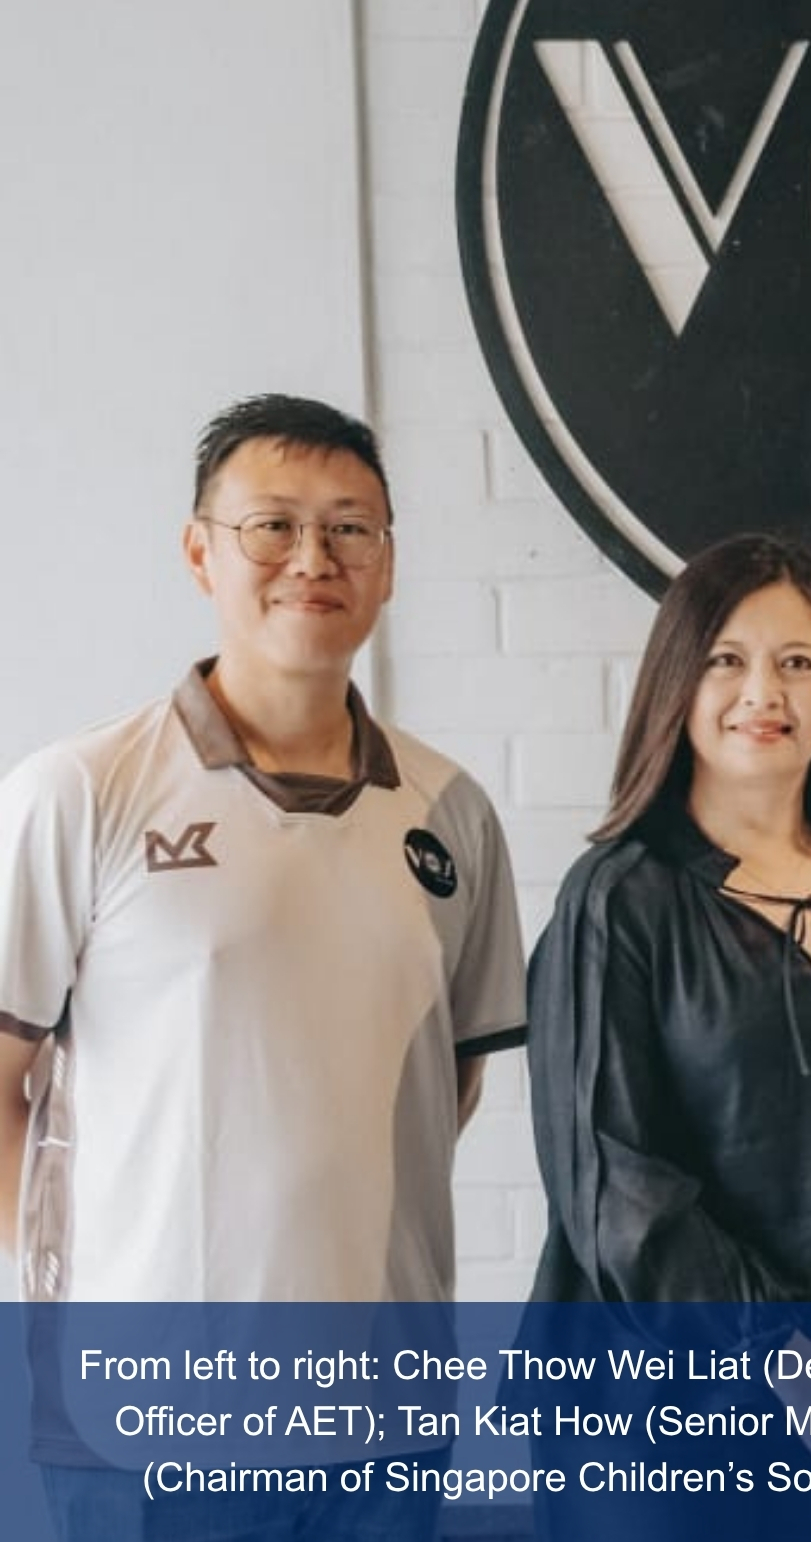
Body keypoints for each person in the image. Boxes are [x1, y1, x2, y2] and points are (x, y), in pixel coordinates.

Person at [0, 393, 526, 1536]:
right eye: (271, 526)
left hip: (384, 1411)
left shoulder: (452, 813)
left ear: (387, 564)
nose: (312, 559)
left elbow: (449, 1083)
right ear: (200, 550)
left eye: (350, 528)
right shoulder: (79, 792)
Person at [522, 531, 811, 1541]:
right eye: (726, 659)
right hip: (646, 1436)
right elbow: (615, 1186)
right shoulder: (618, 898)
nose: (760, 691)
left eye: (797, 662)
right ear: (675, 686)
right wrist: (789, 1351)